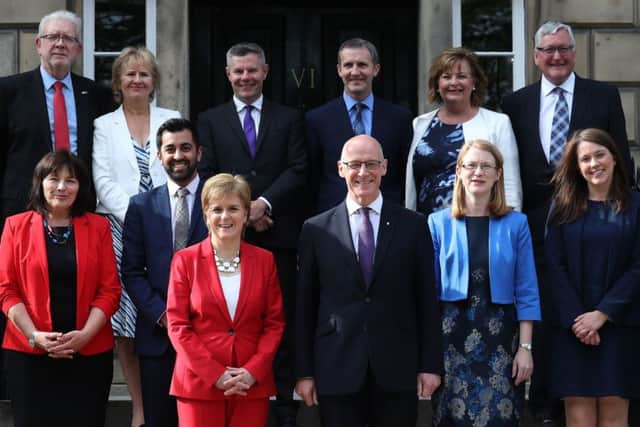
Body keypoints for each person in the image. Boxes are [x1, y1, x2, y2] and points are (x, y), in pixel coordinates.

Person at [501, 21, 634, 424]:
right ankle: (543, 408)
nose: (556, 56)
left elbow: (623, 161)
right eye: (547, 50)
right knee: (547, 324)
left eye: (563, 48)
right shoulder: (516, 103)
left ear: (574, 52)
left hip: (606, 230)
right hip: (541, 235)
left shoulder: (603, 95)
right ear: (536, 56)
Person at [294, 135, 442, 427]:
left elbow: (426, 299)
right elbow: (305, 306)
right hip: (337, 368)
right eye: (355, 165)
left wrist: (430, 365)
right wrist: (304, 372)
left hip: (396, 368)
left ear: (385, 167)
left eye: (371, 164)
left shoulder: (413, 225)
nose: (363, 173)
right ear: (340, 169)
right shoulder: (316, 229)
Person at [197, 41, 306, 427]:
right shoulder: (210, 120)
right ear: (228, 75)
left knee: (280, 320)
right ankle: (234, 390)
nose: (246, 77)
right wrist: (243, 211)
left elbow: (298, 168)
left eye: (252, 70)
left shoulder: (289, 117)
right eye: (238, 71)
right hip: (230, 238)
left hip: (277, 236)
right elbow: (208, 172)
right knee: (232, 320)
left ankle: (284, 404)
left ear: (266, 71)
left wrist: (263, 205)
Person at [92, 46, 180, 427]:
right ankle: (140, 408)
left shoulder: (172, 118)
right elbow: (102, 180)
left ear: (154, 82)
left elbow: (179, 168)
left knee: (170, 309)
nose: (137, 80)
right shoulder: (102, 126)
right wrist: (139, 216)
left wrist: (153, 217)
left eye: (144, 74)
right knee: (127, 323)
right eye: (130, 74)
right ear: (118, 83)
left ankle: (176, 399)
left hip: (168, 226)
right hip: (120, 228)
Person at [0, 150, 121, 427]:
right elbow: (6, 290)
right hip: (29, 355)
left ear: (81, 187)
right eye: (54, 179)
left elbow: (110, 290)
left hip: (89, 354)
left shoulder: (99, 226)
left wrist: (86, 335)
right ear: (40, 183)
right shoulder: (15, 226)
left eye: (71, 180)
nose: (62, 187)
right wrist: (34, 336)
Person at [427, 140, 541, 426]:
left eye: (486, 166)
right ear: (459, 171)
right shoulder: (436, 223)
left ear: (498, 174)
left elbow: (527, 290)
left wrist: (525, 350)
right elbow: (427, 295)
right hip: (449, 341)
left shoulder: (517, 224)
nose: (478, 172)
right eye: (471, 165)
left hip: (500, 343)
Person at [166, 173, 285, 427]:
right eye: (216, 209)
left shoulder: (265, 261)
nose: (224, 216)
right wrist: (213, 373)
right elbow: (177, 325)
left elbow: (274, 323)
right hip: (198, 385)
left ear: (245, 214)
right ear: (206, 214)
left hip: (250, 385)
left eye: (233, 208)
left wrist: (253, 371)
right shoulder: (185, 261)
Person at [545, 128, 640, 427]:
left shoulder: (637, 205)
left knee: (614, 418)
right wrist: (579, 320)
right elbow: (554, 266)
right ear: (577, 167)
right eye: (585, 158)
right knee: (579, 419)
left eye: (599, 154)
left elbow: (639, 265)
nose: (593, 163)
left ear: (614, 157)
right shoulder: (562, 207)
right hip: (572, 329)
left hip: (620, 325)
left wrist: (603, 313)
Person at [122, 118, 208, 427]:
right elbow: (131, 271)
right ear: (159, 156)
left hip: (209, 335)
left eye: (186, 148)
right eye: (169, 149)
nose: (178, 155)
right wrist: (163, 314)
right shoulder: (141, 206)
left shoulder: (219, 201)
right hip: (158, 335)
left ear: (199, 152)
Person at [0, 10, 113, 227]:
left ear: (78, 49)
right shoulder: (8, 91)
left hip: (80, 208)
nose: (60, 44)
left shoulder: (97, 95)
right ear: (38, 44)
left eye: (69, 38)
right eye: (53, 37)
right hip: (22, 210)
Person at [405, 47, 522, 216]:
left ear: (474, 83)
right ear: (437, 85)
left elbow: (509, 183)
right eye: (446, 77)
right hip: (425, 229)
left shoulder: (497, 123)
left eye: (461, 76)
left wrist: (507, 224)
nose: (454, 82)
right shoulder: (420, 124)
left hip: (480, 227)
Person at [306, 37, 413, 214]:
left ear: (376, 69)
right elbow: (312, 178)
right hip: (334, 218)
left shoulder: (399, 118)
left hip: (388, 215)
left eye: (362, 65)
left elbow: (404, 174)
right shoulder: (317, 119)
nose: (355, 72)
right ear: (339, 70)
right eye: (348, 65)